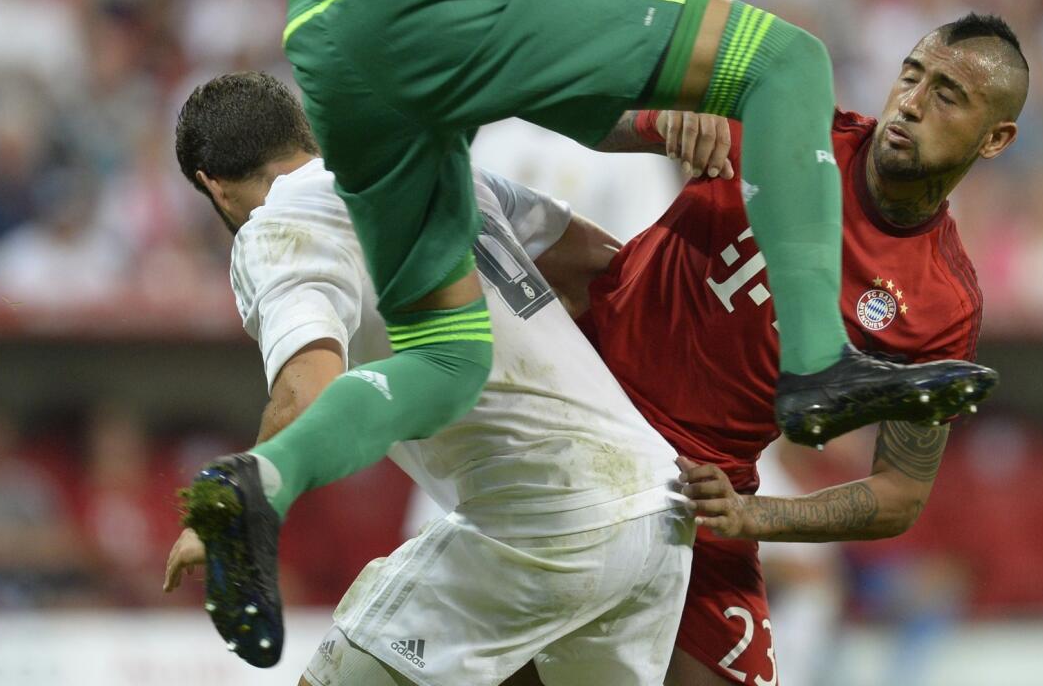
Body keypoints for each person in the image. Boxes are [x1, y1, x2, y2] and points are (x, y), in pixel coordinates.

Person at [189, 0, 995, 662]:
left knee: (444, 356)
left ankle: (264, 480)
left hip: (331, 38)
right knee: (785, 62)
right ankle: (821, 364)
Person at [168, 72, 695, 680]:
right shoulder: (437, 171)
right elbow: (609, 274)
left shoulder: (277, 227)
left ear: (213, 186)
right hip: (657, 509)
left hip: (541, 512)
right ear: (303, 133)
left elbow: (307, 388)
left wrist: (236, 508)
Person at [560, 13, 1029, 684]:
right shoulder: (789, 125)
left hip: (695, 492)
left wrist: (755, 514)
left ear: (996, 138)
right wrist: (656, 121)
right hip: (582, 406)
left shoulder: (943, 303)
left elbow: (898, 493)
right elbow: (562, 111)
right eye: (911, 76)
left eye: (948, 94)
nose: (911, 104)